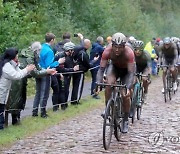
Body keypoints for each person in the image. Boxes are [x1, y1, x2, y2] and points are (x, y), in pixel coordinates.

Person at [96, 32, 136, 133]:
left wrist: (128, 86)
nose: (117, 49)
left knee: (125, 95)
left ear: (124, 46)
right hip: (114, 68)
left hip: (127, 72)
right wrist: (97, 83)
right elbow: (101, 69)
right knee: (109, 84)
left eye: (120, 47)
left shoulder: (129, 53)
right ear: (112, 45)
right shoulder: (107, 51)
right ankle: (107, 108)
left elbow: (131, 73)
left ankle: (125, 119)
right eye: (115, 47)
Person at [0, 48, 35, 130]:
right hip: (1, 90)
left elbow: (19, 72)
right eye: (16, 55)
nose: (17, 56)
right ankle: (0, 127)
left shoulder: (10, 64)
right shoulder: (6, 66)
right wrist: (27, 69)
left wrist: (19, 66)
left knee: (1, 108)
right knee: (0, 109)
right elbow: (16, 76)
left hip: (3, 90)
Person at [33, 33, 65, 118]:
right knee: (44, 93)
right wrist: (59, 62)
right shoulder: (49, 51)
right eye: (54, 40)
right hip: (46, 73)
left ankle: (34, 111)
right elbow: (49, 65)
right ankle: (43, 112)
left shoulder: (41, 47)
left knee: (38, 92)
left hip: (37, 71)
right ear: (52, 40)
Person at [71, 33, 98, 105]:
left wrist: (81, 37)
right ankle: (76, 100)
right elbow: (88, 64)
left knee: (75, 86)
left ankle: (73, 100)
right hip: (80, 71)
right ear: (87, 45)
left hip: (75, 70)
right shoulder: (83, 53)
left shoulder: (78, 50)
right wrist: (94, 61)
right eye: (89, 44)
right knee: (78, 86)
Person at [55, 42, 79, 110]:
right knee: (62, 91)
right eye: (72, 50)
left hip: (67, 76)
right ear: (69, 50)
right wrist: (72, 69)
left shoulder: (68, 56)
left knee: (66, 90)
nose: (73, 51)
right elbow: (61, 69)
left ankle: (64, 104)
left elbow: (70, 63)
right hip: (61, 76)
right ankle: (62, 106)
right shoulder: (62, 56)